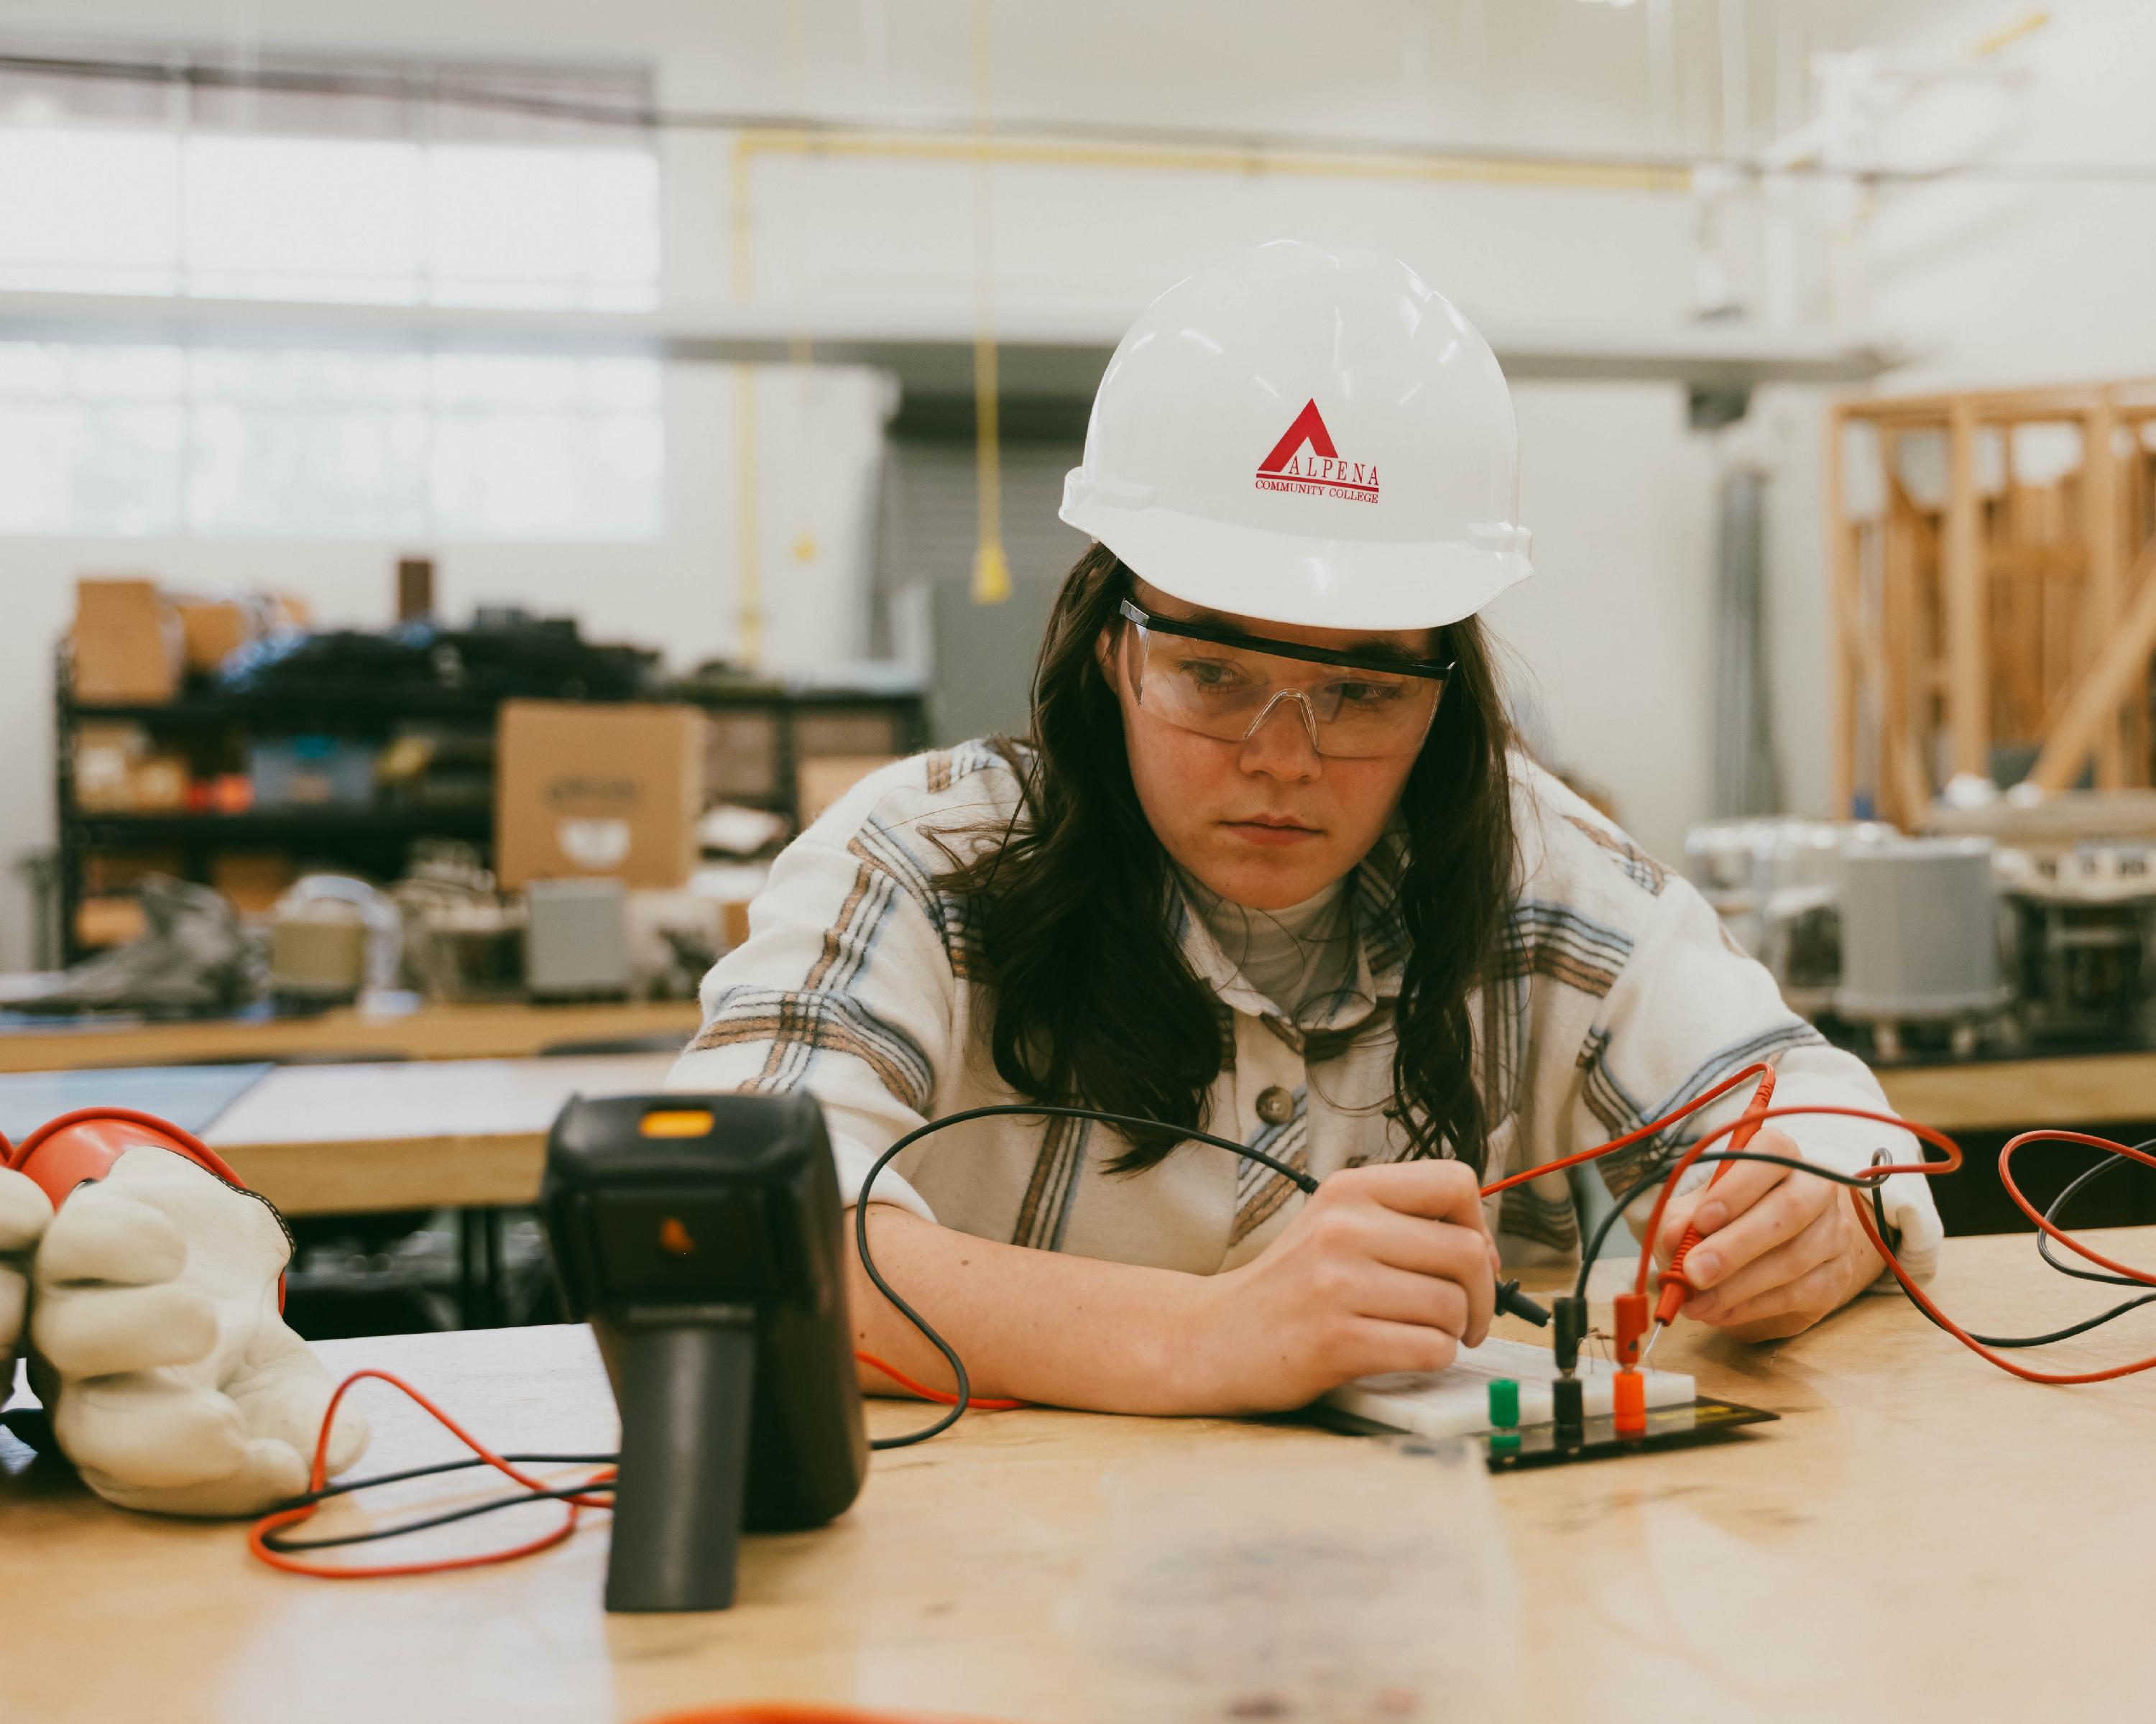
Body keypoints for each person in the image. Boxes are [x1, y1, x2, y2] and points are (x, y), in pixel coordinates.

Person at [673, 239, 1944, 1418]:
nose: (1283, 759)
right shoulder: (921, 863)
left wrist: (1821, 1205)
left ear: (1446, 696)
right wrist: (1199, 1336)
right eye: (1213, 675)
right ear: (1112, 650)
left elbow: (1817, 1110)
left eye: (1362, 693)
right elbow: (728, 1224)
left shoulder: (1536, 873)